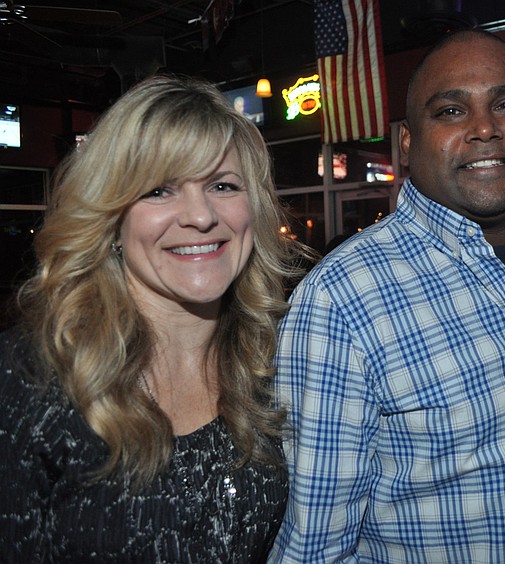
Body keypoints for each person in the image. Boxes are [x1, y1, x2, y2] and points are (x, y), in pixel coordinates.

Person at [270, 29, 505, 562]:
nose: (485, 128)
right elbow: (316, 548)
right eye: (450, 112)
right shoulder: (343, 300)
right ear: (408, 146)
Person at [0, 75, 309, 562]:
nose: (201, 216)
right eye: (160, 190)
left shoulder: (276, 361)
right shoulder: (32, 377)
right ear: (112, 221)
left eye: (223, 185)